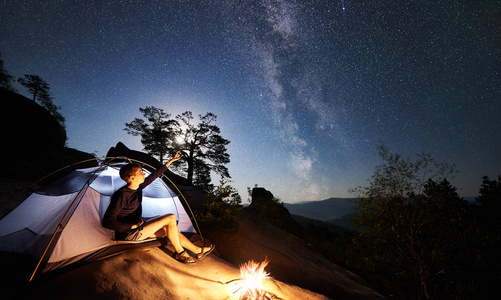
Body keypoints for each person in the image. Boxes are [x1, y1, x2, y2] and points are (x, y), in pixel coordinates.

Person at [102, 152, 214, 264]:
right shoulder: (121, 195)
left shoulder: (138, 187)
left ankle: (198, 250)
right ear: (132, 178)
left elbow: (154, 175)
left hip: (139, 228)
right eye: (140, 172)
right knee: (170, 218)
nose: (143, 174)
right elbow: (107, 221)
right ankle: (180, 252)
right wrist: (133, 226)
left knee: (169, 228)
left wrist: (171, 161)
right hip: (128, 234)